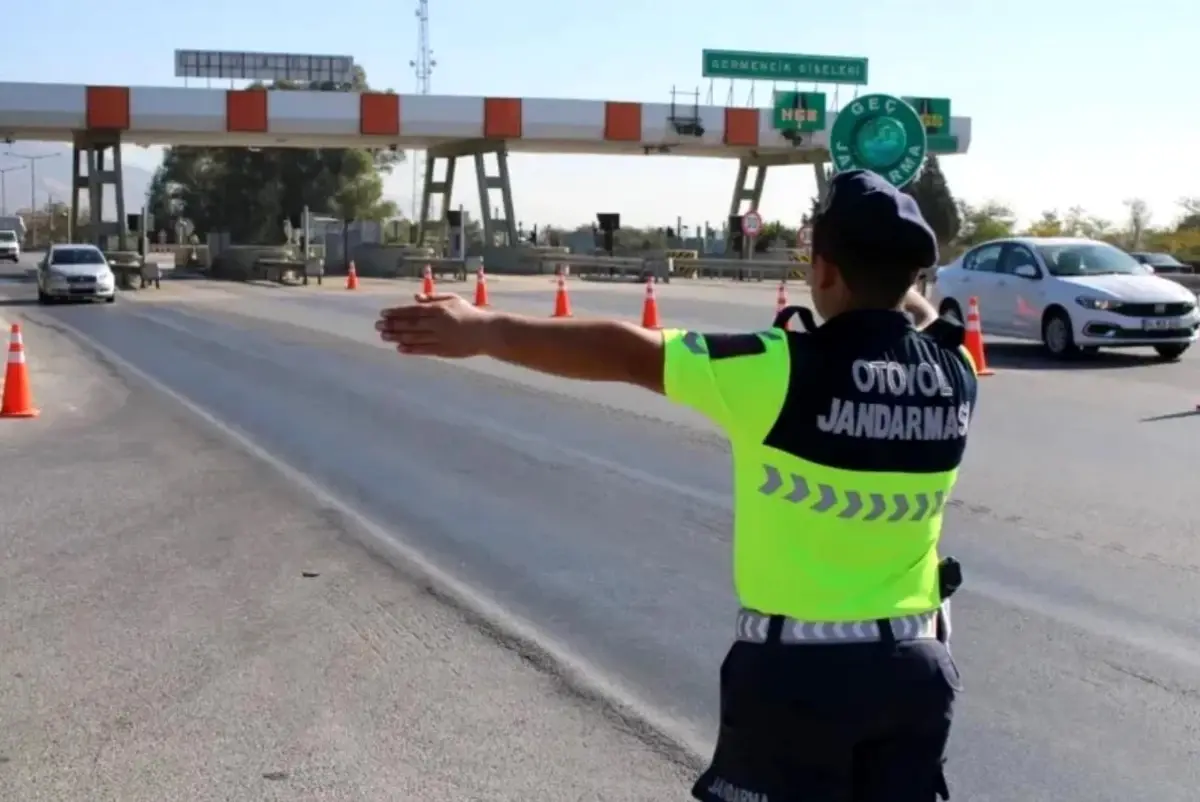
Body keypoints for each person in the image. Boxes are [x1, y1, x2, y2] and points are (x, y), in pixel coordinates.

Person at [376, 168, 978, 802]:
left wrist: (482, 329)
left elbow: (626, 351)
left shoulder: (780, 371)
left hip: (799, 680)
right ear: (914, 276)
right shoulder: (956, 372)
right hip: (918, 673)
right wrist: (895, 278)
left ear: (825, 272)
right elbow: (919, 313)